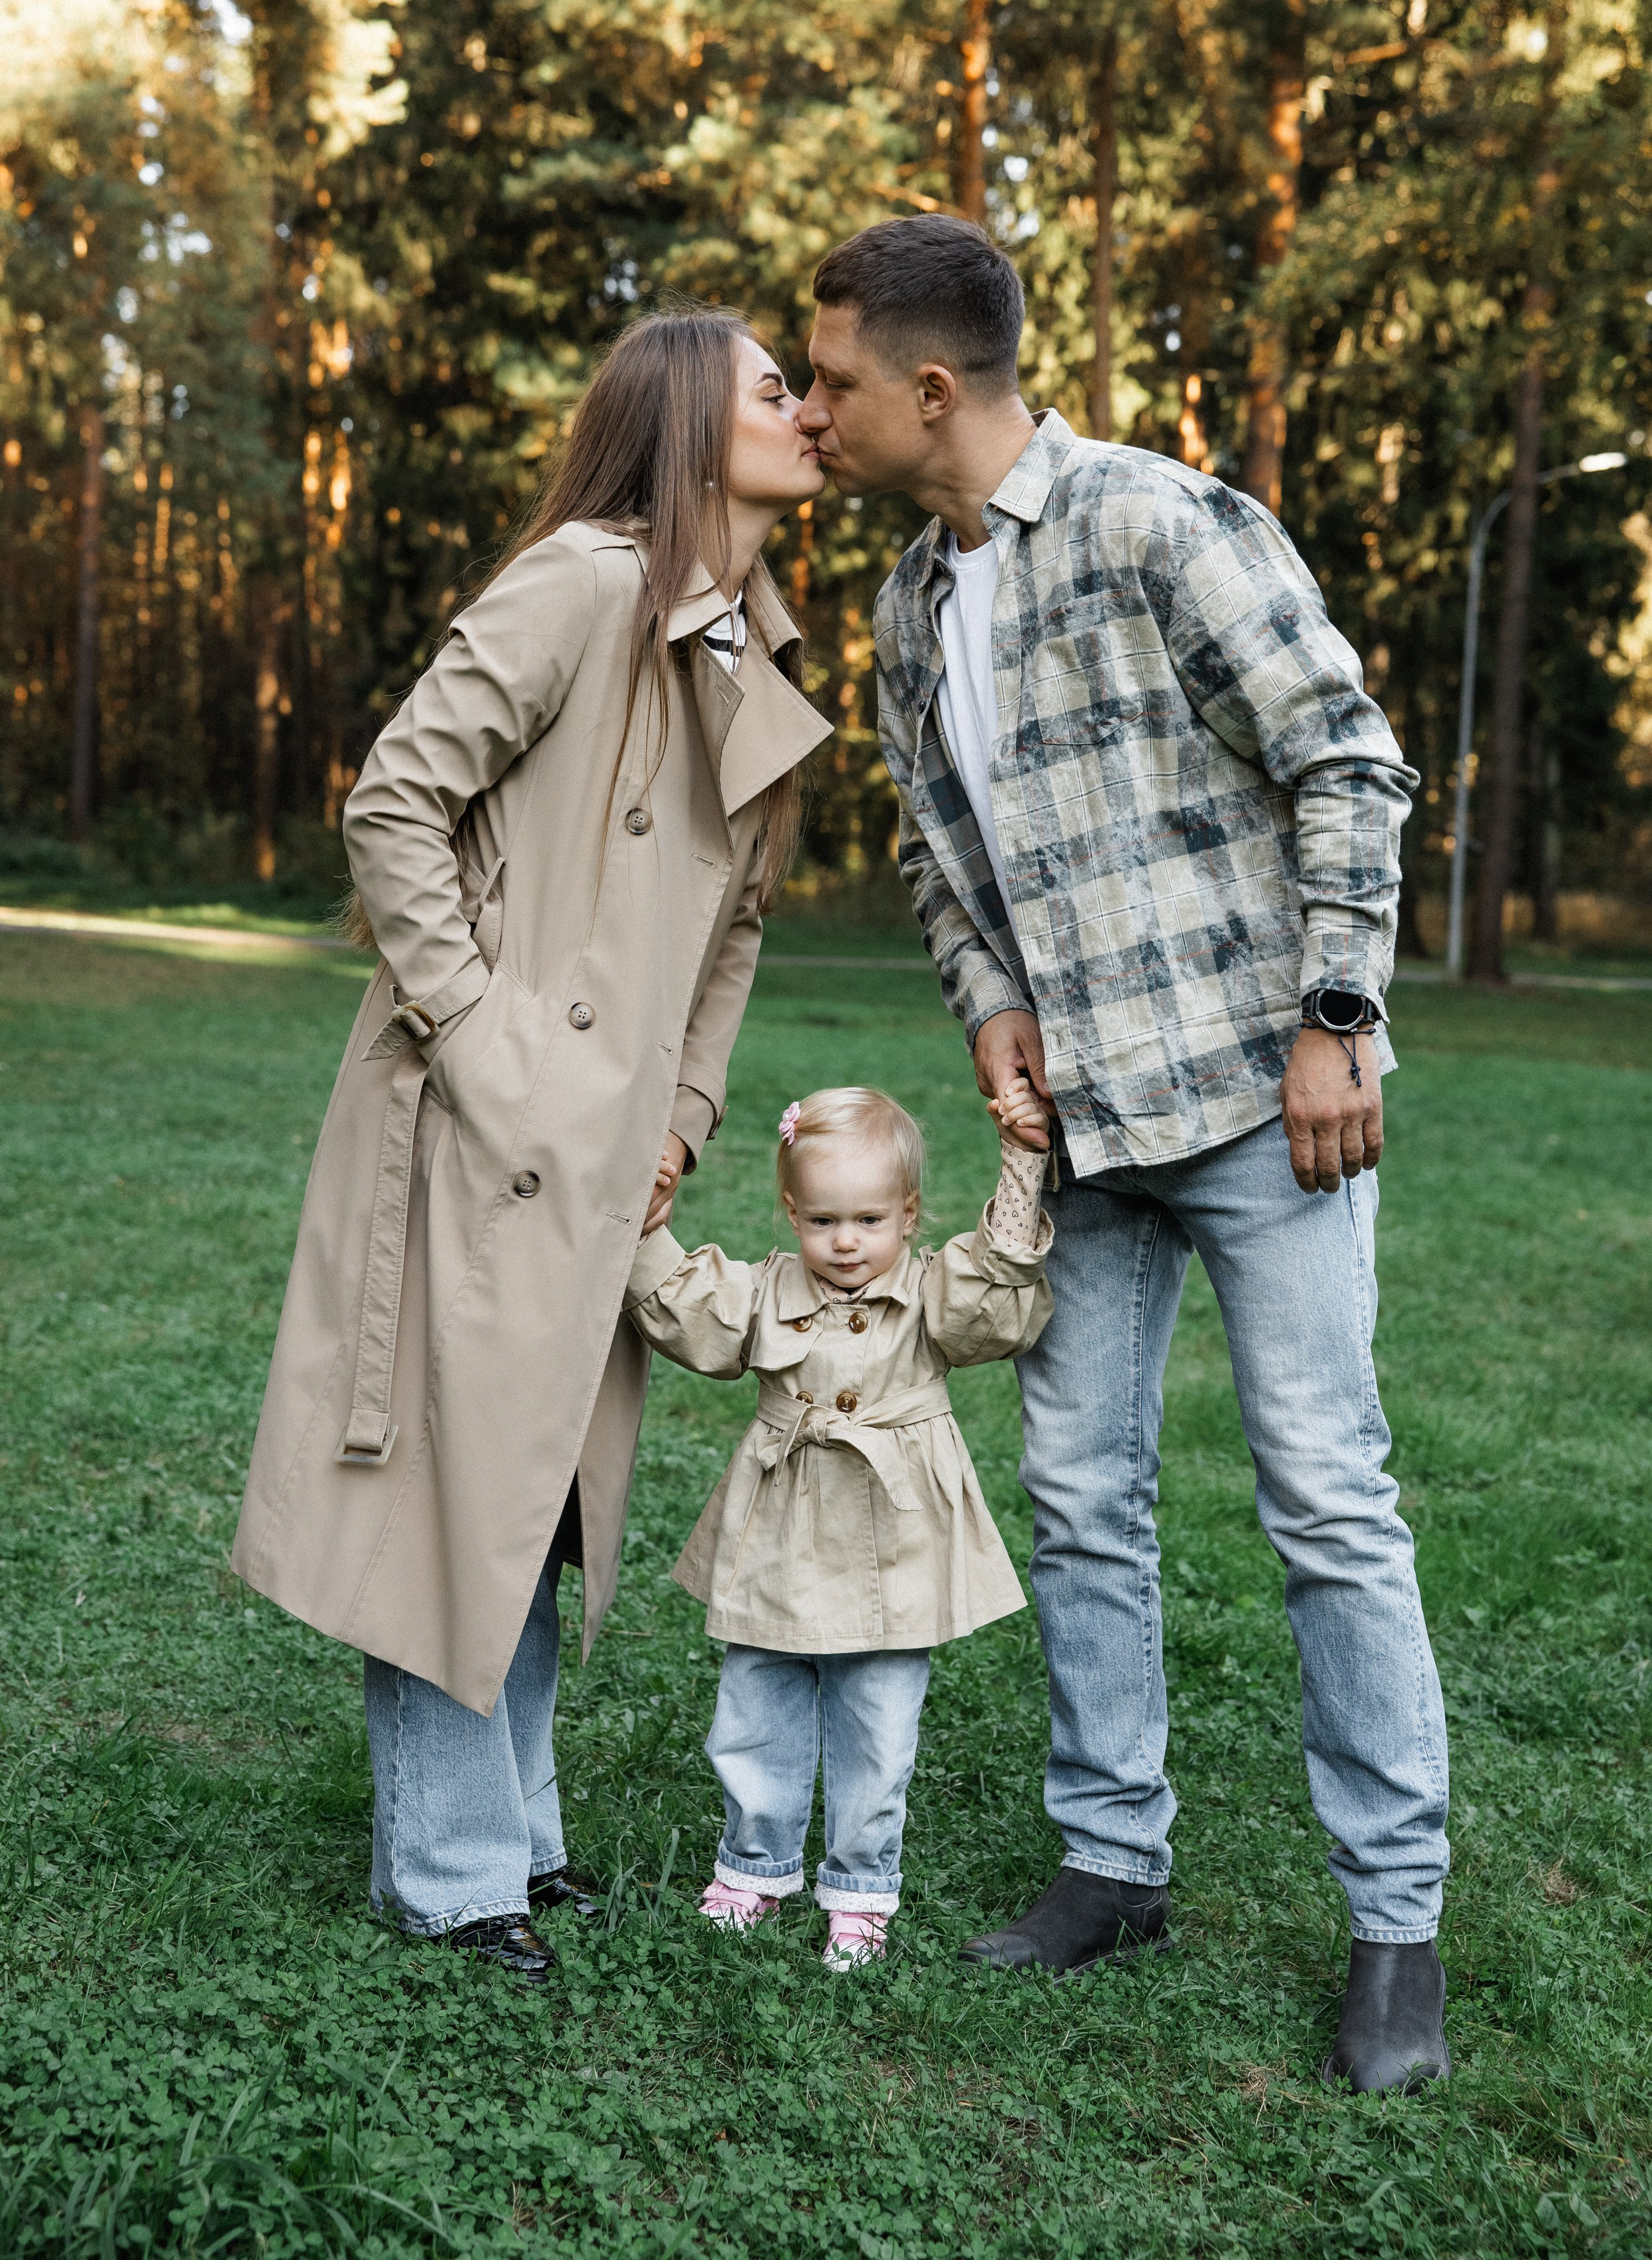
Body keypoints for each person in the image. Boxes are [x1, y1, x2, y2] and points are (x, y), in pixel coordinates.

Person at [797, 216, 1451, 2092]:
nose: (811, 408)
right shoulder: (913, 602)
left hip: (1264, 1102)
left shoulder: (1168, 519)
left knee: (1324, 1496)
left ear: (932, 387)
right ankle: (1111, 1860)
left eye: (832, 378)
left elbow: (1344, 754)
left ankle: (1392, 1922)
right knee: (1078, 1494)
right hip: (1071, 1132)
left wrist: (1336, 1013)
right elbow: (941, 852)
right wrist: (987, 1002)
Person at [231, 309, 832, 1982]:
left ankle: (522, 1832)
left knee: (544, 1499)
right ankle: (448, 1867)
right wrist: (495, 1045)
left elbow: (737, 931)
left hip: (608, 1147)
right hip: (476, 1126)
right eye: (773, 382)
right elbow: (393, 803)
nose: (803, 406)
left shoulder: (750, 647)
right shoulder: (580, 580)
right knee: (454, 1486)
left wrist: (683, 1115)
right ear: (686, 421)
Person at [621, 1083, 1053, 1969]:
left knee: (879, 1723)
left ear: (908, 1212)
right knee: (756, 1703)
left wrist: (1023, 1164)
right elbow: (688, 1310)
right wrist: (644, 1224)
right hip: (781, 1529)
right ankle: (755, 1864)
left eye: (868, 1219)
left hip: (893, 1544)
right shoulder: (767, 1290)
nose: (846, 1242)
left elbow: (996, 1304)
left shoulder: (934, 1289)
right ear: (791, 1212)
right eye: (823, 1221)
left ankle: (859, 1888)